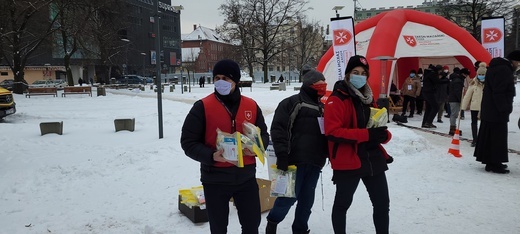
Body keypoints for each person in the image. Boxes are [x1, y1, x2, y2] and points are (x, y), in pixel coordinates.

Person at [180, 59, 270, 233]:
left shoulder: (251, 105)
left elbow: (264, 136)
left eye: (226, 78)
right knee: (219, 228)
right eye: (217, 78)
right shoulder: (202, 107)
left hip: (246, 178)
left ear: (235, 81)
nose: (220, 82)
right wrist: (211, 155)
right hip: (215, 179)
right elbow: (188, 142)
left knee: (252, 225)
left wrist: (257, 146)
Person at [324, 55, 393, 234]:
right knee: (342, 204)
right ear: (348, 74)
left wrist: (383, 135)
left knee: (382, 203)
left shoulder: (369, 98)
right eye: (355, 72)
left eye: (363, 73)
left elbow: (376, 125)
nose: (360, 76)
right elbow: (332, 132)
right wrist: (367, 134)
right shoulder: (336, 99)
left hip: (372, 157)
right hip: (348, 158)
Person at [266, 69, 329, 234]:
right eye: (319, 84)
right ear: (309, 85)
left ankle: (300, 229)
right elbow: (279, 130)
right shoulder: (292, 103)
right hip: (293, 162)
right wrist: (282, 155)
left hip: (315, 163)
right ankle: (273, 221)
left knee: (307, 201)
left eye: (324, 84)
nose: (323, 87)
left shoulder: (322, 107)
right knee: (287, 198)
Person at [474, 50, 519, 174]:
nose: (518, 65)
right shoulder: (503, 70)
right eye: (519, 63)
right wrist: (504, 108)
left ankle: (490, 161)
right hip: (496, 110)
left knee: (489, 136)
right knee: (497, 137)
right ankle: (495, 163)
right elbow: (499, 91)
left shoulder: (496, 67)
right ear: (514, 61)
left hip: (490, 109)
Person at [461, 62, 486, 147]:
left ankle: (483, 139)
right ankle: (475, 139)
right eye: (480, 74)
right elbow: (467, 96)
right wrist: (463, 107)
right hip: (474, 107)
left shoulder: (489, 84)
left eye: (483, 74)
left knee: (484, 124)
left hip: (485, 107)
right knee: (474, 123)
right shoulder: (473, 83)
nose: (481, 76)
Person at [447, 68, 470, 135]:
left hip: (453, 98)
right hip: (455, 99)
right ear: (463, 74)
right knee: (454, 114)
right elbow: (458, 92)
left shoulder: (456, 79)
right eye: (466, 75)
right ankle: (452, 128)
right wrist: (461, 100)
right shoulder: (458, 81)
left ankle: (453, 127)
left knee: (454, 114)